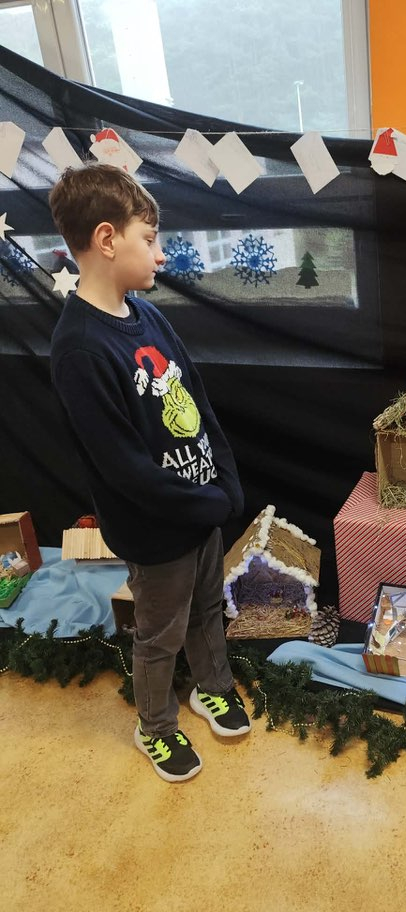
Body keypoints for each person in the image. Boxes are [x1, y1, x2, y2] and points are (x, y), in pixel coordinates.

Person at [49, 163, 251, 783]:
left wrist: (224, 482)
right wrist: (202, 505)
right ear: (107, 240)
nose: (160, 255)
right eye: (150, 239)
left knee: (208, 608)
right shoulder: (80, 349)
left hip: (201, 508)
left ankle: (212, 687)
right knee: (161, 632)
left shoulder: (149, 316)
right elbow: (123, 468)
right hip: (156, 528)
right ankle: (156, 725)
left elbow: (197, 402)